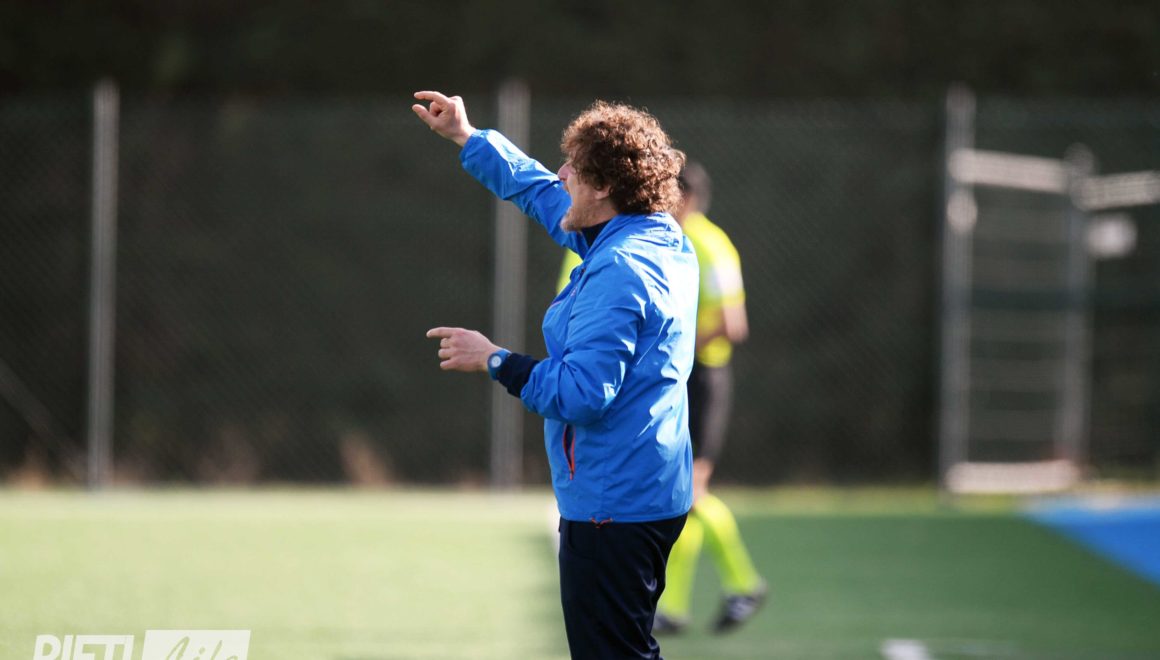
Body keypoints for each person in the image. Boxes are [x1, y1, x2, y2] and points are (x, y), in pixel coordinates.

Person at [413, 90, 698, 659]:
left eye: (575, 167)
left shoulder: (618, 268)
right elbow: (541, 191)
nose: (562, 173)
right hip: (647, 487)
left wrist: (495, 359)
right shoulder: (653, 236)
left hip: (612, 502)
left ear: (605, 187)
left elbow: (581, 394)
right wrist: (469, 137)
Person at [560, 162, 767, 634]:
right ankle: (674, 606)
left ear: (686, 199)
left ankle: (741, 584)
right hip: (677, 377)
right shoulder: (664, 241)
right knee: (682, 493)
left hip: (703, 378)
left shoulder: (709, 245)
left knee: (692, 490)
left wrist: (670, 342)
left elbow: (733, 324)